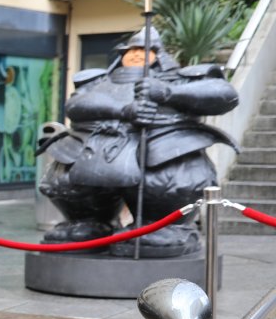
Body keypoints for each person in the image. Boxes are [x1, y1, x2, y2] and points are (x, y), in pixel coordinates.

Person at [38, 27, 238, 256]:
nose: (135, 54)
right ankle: (89, 223)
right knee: (64, 179)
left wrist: (168, 93)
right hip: (95, 146)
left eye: (144, 50)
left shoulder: (182, 78)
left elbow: (225, 94)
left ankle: (163, 227)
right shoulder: (97, 80)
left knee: (167, 180)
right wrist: (122, 110)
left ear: (160, 54)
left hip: (160, 146)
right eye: (131, 50)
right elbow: (75, 105)